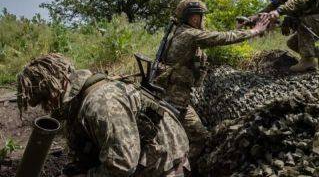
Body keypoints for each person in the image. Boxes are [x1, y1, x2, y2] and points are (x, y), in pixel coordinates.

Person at [17, 53, 190, 177]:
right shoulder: (79, 100)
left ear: (56, 88)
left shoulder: (100, 104)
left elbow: (122, 164)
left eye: (45, 100)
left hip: (164, 167)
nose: (46, 108)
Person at [154, 0, 271, 159]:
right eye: (202, 16)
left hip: (172, 95)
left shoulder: (181, 31)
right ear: (194, 17)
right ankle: (177, 166)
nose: (204, 19)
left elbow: (214, 35)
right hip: (175, 99)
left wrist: (237, 30)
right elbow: (220, 38)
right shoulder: (189, 35)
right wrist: (254, 31)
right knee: (200, 138)